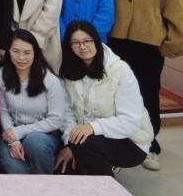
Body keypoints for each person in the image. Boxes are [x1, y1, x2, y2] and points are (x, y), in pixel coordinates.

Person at [103, 0, 183, 170]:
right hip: (116, 45)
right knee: (116, 96)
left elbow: (175, 9)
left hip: (149, 47)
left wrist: (170, 45)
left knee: (148, 95)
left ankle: (149, 146)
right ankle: (120, 148)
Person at [55, 20, 152, 176]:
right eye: (76, 43)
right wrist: (70, 143)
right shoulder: (68, 71)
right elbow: (67, 113)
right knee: (62, 168)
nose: (82, 46)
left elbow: (130, 122)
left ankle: (106, 185)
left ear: (96, 40)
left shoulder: (121, 71)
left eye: (87, 41)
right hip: (85, 138)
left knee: (85, 147)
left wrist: (92, 128)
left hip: (131, 140)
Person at [0, 29, 69, 175]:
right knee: (16, 169)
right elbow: (3, 112)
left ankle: (46, 183)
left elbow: (56, 120)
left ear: (35, 53)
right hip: (10, 132)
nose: (21, 57)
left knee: (34, 142)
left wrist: (21, 132)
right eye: (16, 51)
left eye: (27, 53)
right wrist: (14, 140)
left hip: (45, 134)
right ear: (8, 51)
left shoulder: (50, 80)